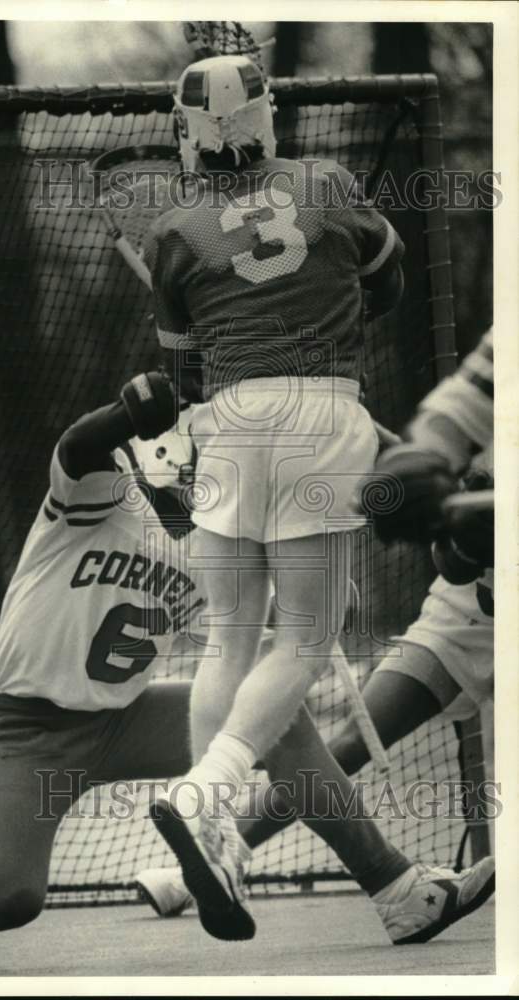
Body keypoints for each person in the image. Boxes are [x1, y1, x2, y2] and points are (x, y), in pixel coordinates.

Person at [0, 374, 493, 947]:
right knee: (8, 897)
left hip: (122, 718)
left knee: (279, 723)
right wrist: (127, 412)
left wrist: (330, 567)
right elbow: (79, 445)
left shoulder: (219, 547)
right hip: (22, 729)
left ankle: (399, 891)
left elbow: (260, 634)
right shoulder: (104, 495)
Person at [143, 52, 406, 932]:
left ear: (189, 131)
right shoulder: (327, 184)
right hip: (320, 414)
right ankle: (205, 792)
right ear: (265, 117)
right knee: (305, 639)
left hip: (225, 420)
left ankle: (212, 831)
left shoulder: (174, 228)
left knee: (229, 638)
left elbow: (183, 372)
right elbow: (389, 282)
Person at [138, 329, 495, 923]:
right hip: (467, 617)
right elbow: (452, 558)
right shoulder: (496, 376)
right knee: (352, 739)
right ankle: (201, 864)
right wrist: (459, 530)